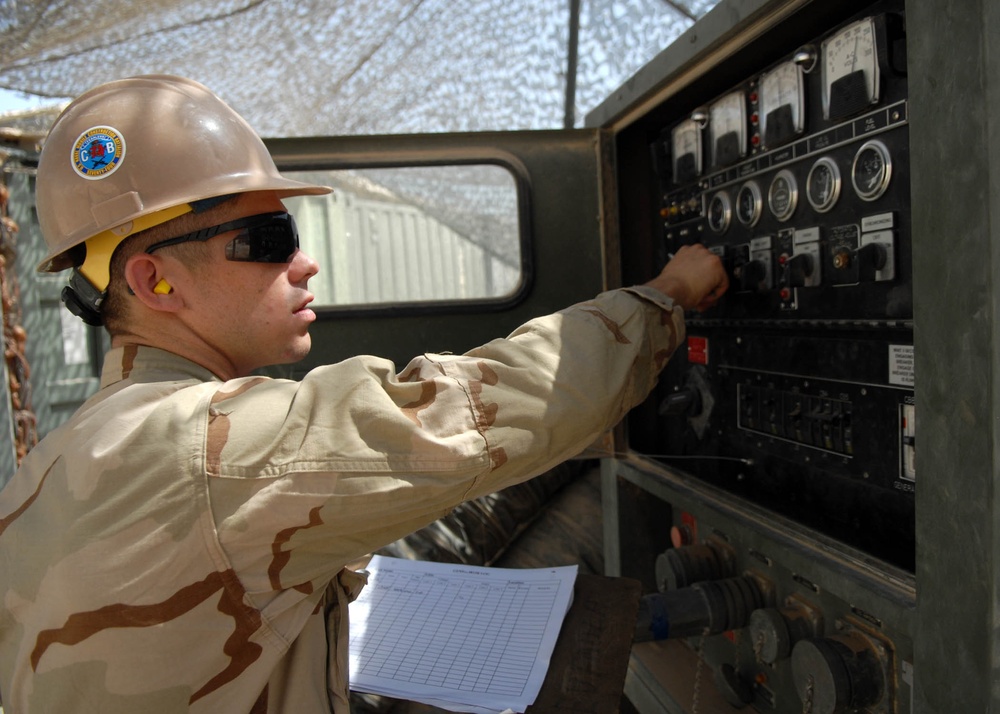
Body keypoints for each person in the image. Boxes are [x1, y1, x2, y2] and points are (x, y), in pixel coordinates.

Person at [0, 75, 728, 713]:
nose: (305, 262)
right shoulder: (209, 449)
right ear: (157, 282)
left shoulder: (40, 478)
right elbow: (484, 407)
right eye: (269, 237)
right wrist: (667, 295)